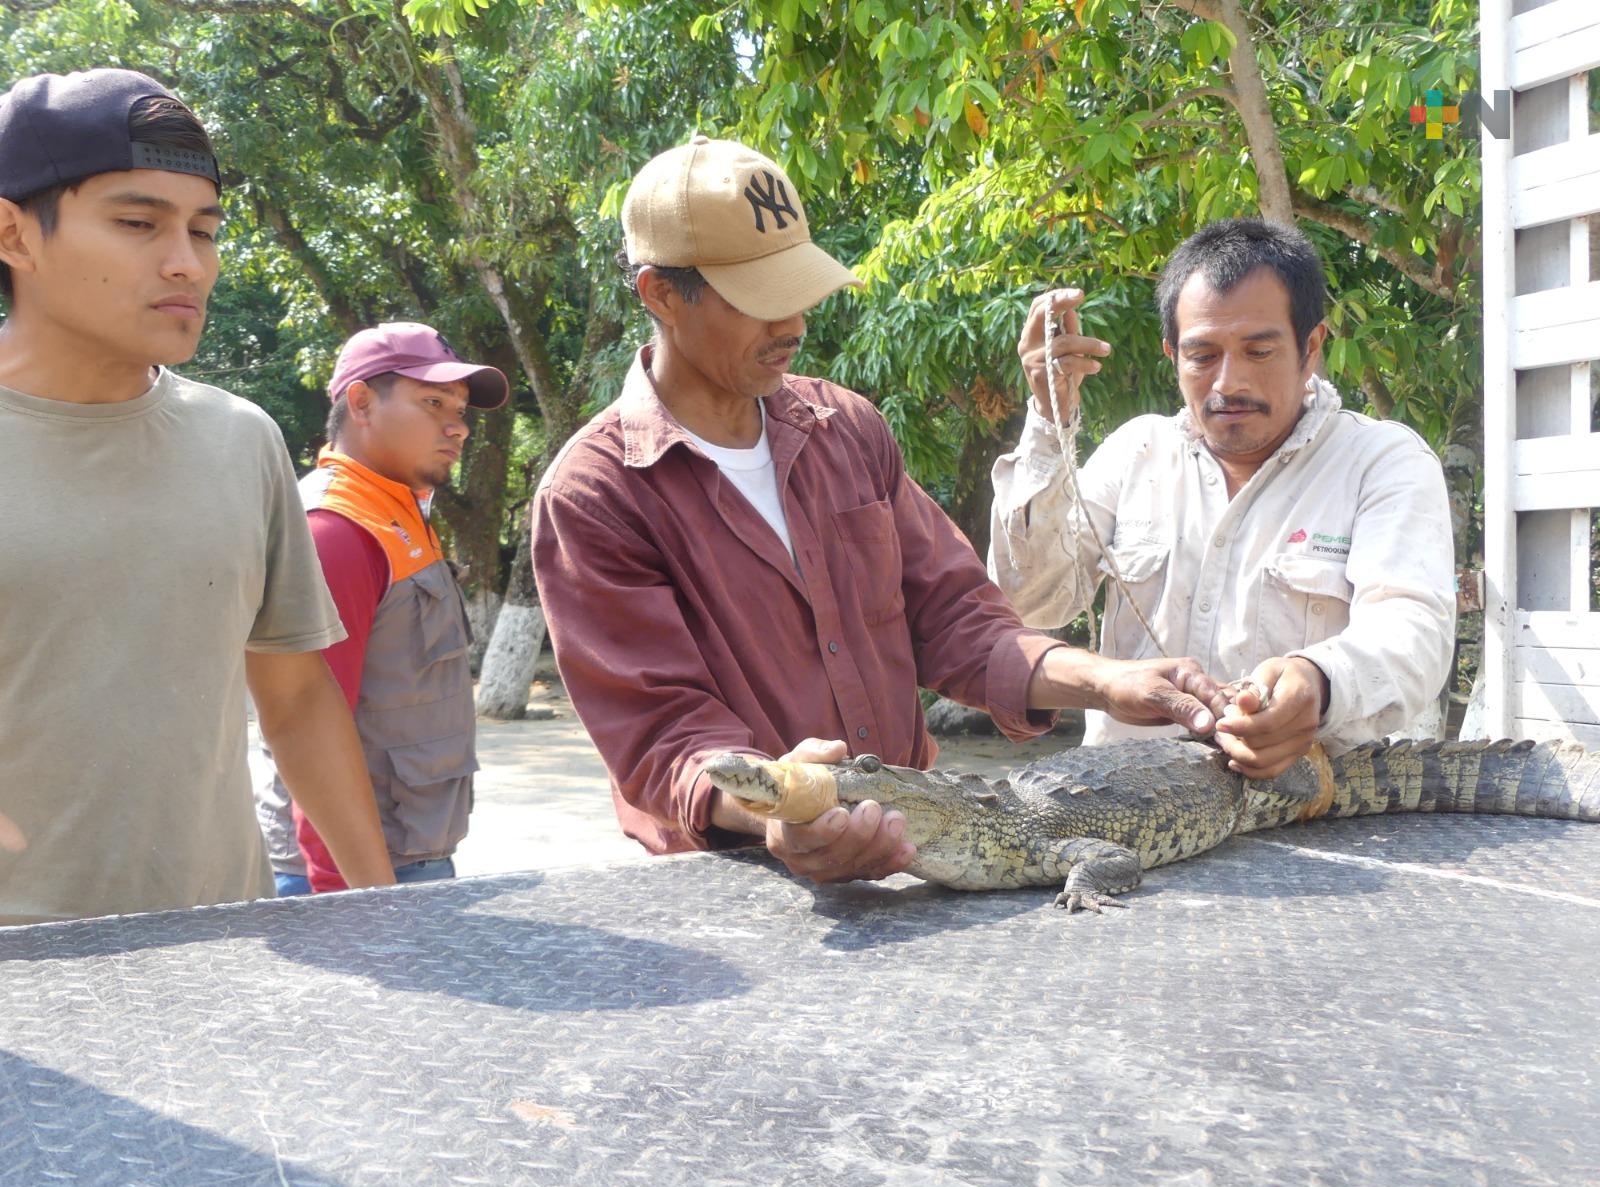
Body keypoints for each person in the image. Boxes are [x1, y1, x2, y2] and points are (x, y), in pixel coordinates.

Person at [532, 135, 1226, 886]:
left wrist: (1106, 681)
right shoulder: (596, 496)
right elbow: (663, 732)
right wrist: (778, 812)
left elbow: (959, 620)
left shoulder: (847, 430)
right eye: (760, 301)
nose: (792, 324)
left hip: (919, 851)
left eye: (798, 291)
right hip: (731, 882)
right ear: (661, 294)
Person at [0, 68, 395, 925]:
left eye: (205, 230)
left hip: (223, 957)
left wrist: (384, 909)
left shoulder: (240, 439)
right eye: (138, 223)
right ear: (15, 235)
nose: (187, 263)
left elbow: (293, 697)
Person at [989, 218, 1455, 778]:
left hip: (1310, 814)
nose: (1228, 382)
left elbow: (1413, 633)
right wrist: (1047, 420)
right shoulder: (1136, 452)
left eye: (1259, 351)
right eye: (1203, 354)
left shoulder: (1382, 462)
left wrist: (1319, 680)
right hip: (1121, 811)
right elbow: (1031, 602)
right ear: (1172, 354)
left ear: (1310, 347)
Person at [256, 322, 508, 894]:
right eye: (433, 402)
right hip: (352, 878)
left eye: (462, 409)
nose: (458, 426)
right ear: (362, 403)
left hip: (401, 858)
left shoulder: (393, 511)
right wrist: (358, 904)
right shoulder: (338, 530)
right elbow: (306, 725)